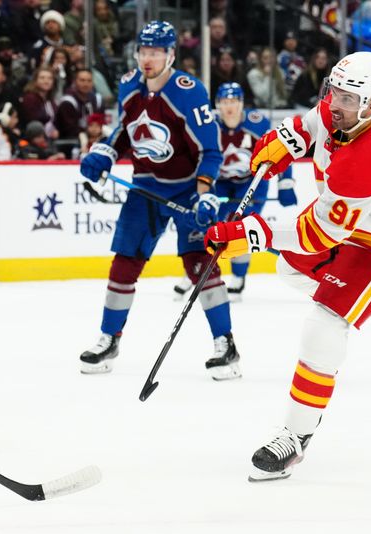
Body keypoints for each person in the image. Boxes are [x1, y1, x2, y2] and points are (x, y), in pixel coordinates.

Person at [204, 52, 371, 481]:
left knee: (324, 321)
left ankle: (296, 437)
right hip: (364, 220)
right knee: (288, 270)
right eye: (334, 90)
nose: (334, 102)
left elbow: (319, 235)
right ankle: (364, 302)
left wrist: (252, 232)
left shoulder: (370, 159)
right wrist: (284, 139)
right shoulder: (351, 109)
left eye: (347, 98)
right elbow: (314, 122)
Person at [77, 21, 241, 379]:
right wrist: (104, 153)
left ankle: (226, 346)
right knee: (124, 263)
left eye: (156, 52)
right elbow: (124, 129)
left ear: (170, 55)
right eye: (143, 51)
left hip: (184, 189)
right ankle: (109, 338)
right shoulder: (128, 86)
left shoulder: (188, 91)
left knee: (200, 266)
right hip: (145, 188)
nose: (148, 58)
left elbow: (210, 151)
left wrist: (204, 196)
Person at [211, 81, 298, 299]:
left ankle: (238, 278)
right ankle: (201, 273)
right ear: (217, 104)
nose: (229, 107)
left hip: (251, 184)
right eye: (224, 102)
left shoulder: (257, 123)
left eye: (233, 101)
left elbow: (281, 151)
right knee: (212, 228)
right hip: (219, 183)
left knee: (241, 229)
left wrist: (285, 182)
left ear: (242, 104)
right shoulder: (209, 126)